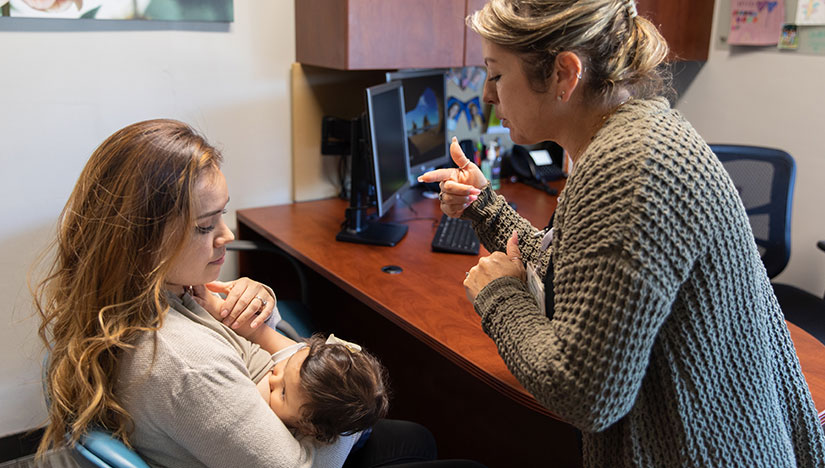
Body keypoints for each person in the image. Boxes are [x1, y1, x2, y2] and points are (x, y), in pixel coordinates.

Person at [420, 0, 825, 466]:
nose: (488, 96)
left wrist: (499, 297)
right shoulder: (637, 135)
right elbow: (577, 274)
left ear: (564, 74)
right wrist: (485, 207)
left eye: (496, 75)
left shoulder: (630, 169)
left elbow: (584, 394)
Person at [35, 119, 485, 468]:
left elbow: (255, 365)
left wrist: (261, 325)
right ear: (143, 239)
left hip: (264, 434)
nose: (226, 235)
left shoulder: (154, 296)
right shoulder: (184, 361)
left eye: (221, 216)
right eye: (205, 226)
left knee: (414, 438)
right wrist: (352, 401)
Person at [194, 283, 389, 443]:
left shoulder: (303, 437)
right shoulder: (297, 356)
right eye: (285, 367)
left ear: (309, 428)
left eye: (284, 392)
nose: (273, 379)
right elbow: (256, 331)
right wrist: (214, 305)